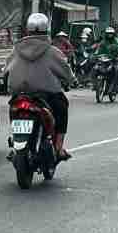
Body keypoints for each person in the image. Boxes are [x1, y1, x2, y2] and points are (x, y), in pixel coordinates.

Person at [4, 12, 74, 161]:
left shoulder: (16, 49)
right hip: (46, 95)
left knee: (13, 109)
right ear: (45, 30)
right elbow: (66, 71)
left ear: (27, 31)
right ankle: (58, 148)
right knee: (62, 106)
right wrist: (71, 80)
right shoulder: (52, 51)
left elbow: (6, 69)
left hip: (20, 94)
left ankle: (16, 145)